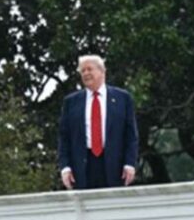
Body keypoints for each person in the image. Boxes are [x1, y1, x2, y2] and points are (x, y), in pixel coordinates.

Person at [58, 55, 139, 190]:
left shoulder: (122, 98)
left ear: (102, 71)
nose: (86, 74)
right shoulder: (71, 102)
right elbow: (64, 137)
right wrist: (65, 167)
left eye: (89, 69)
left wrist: (130, 163)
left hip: (115, 166)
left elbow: (131, 135)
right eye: (82, 71)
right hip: (82, 167)